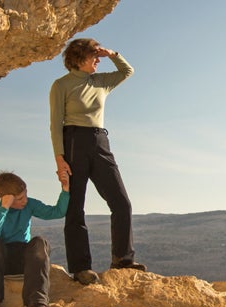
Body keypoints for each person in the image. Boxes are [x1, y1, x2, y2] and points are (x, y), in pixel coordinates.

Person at [50, 37, 146, 286]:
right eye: (94, 55)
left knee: (121, 202)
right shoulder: (61, 85)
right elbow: (55, 124)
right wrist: (60, 160)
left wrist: (112, 52)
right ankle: (81, 268)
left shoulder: (100, 81)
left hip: (100, 141)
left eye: (98, 56)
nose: (98, 59)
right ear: (79, 58)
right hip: (73, 142)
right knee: (75, 207)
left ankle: (123, 259)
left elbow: (127, 71)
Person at [0, 171, 70, 307]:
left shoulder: (29, 205)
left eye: (25, 195)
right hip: (1, 263)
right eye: (20, 199)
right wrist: (4, 209)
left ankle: (37, 303)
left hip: (24, 260)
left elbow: (56, 212)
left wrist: (65, 190)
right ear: (6, 199)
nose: (25, 201)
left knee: (40, 242)